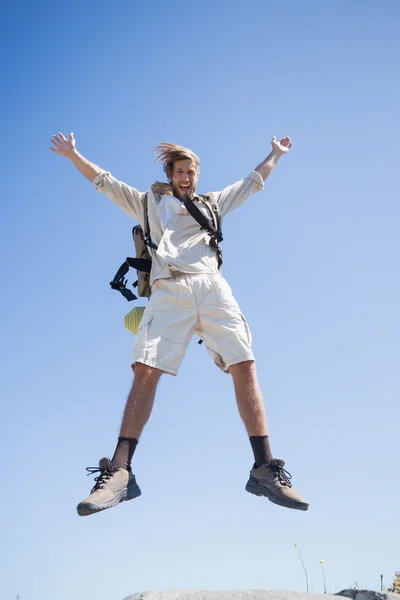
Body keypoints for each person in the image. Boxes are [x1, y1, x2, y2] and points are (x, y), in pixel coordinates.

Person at [49, 132, 309, 515]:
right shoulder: (148, 203)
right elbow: (104, 181)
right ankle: (120, 472)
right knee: (145, 370)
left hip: (213, 288)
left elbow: (253, 182)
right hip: (169, 289)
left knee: (245, 364)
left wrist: (275, 155)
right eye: (180, 171)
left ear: (197, 176)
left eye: (191, 171)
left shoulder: (213, 204)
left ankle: (265, 469)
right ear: (170, 175)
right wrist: (73, 155)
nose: (186, 177)